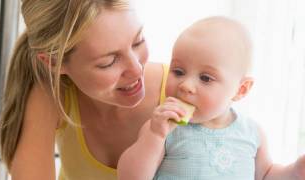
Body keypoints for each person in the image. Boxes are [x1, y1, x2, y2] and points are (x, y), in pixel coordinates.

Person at [0, 0, 170, 179]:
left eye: (138, 42)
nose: (136, 69)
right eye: (108, 62)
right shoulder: (54, 93)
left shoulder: (186, 94)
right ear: (55, 62)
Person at [117, 16, 305, 180]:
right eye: (178, 71)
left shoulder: (252, 133)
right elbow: (130, 177)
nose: (185, 86)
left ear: (241, 90)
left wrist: (295, 172)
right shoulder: (162, 128)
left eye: (206, 78)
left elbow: (265, 175)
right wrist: (155, 136)